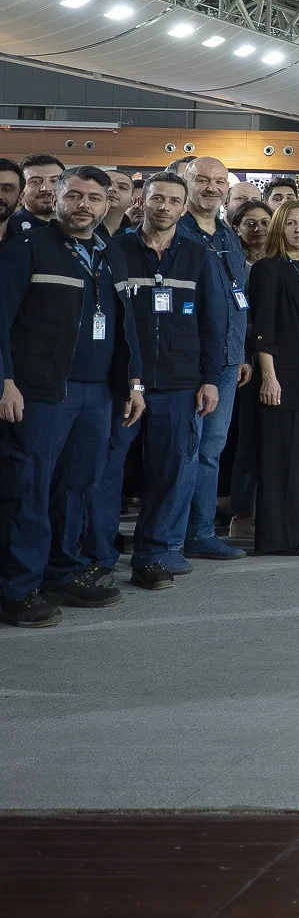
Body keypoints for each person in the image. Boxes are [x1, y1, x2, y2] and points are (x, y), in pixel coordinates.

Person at [0, 167, 137, 625]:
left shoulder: (110, 252)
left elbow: (125, 326)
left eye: (95, 198)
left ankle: (63, 570)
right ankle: (18, 587)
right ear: (54, 197)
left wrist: (132, 383)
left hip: (98, 393)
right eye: (74, 195)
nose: (85, 205)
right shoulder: (25, 249)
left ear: (107, 204)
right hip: (40, 392)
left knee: (77, 487)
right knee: (30, 489)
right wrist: (5, 380)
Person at [95, 171, 226, 590]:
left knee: (170, 472)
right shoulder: (115, 250)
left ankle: (152, 556)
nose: (164, 207)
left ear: (184, 209)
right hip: (121, 384)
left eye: (173, 201)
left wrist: (209, 379)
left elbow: (213, 323)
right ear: (142, 202)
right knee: (106, 473)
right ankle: (96, 557)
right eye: (157, 199)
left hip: (181, 384)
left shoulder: (198, 256)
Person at [245, 200, 299, 555]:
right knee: (280, 459)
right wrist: (269, 376)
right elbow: (263, 327)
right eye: (292, 223)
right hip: (283, 372)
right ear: (279, 228)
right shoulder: (269, 269)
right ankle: (274, 537)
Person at [175, 157, 251, 563]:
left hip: (226, 360)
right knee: (185, 448)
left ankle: (201, 532)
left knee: (210, 450)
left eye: (219, 181)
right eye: (201, 180)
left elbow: (239, 298)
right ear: (185, 184)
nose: (211, 187)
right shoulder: (177, 233)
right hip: (190, 362)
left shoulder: (227, 234)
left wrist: (241, 355)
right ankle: (173, 537)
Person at [6, 154, 64, 239]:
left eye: (54, 181)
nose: (46, 188)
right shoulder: (6, 227)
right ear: (21, 188)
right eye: (35, 181)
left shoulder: (82, 226)